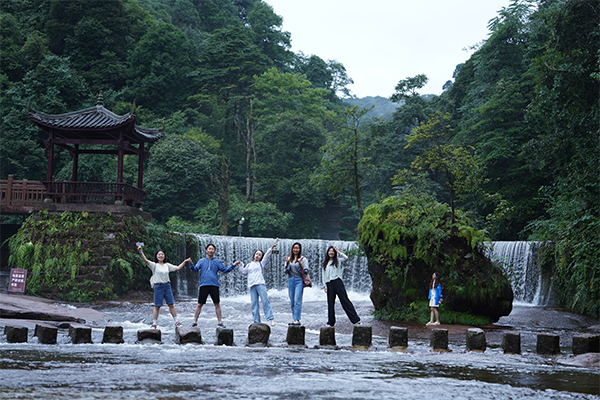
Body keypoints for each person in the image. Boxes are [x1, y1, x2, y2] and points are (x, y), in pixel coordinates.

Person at [138, 245, 191, 329]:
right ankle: (154, 323)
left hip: (167, 286)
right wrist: (141, 251)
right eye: (159, 254)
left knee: (171, 304)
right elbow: (145, 260)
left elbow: (177, 268)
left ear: (164, 256)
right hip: (158, 286)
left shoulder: (167, 265)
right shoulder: (154, 265)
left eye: (162, 254)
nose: (161, 256)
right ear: (156, 256)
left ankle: (176, 321)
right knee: (157, 306)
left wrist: (185, 261)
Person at [190, 243, 241, 328]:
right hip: (204, 285)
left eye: (212, 249)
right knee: (199, 304)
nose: (211, 250)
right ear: (206, 250)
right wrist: (191, 263)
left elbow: (225, 270)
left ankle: (220, 322)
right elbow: (194, 270)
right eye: (209, 249)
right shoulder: (201, 261)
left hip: (214, 285)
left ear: (214, 251)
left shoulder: (217, 262)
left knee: (217, 304)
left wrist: (233, 265)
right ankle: (195, 321)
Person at [240, 240, 278, 326]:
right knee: (254, 304)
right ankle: (256, 322)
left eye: (259, 255)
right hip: (252, 285)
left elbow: (267, 255)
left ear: (261, 257)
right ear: (254, 255)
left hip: (260, 284)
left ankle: (271, 318)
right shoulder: (249, 265)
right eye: (257, 254)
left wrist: (272, 247)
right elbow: (243, 272)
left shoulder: (261, 263)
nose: (257, 256)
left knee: (265, 301)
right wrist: (240, 264)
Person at [322, 246, 361, 327]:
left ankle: (356, 320)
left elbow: (346, 258)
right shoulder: (325, 263)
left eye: (333, 251)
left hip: (338, 282)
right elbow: (324, 276)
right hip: (329, 284)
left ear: (335, 253)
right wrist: (325, 286)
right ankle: (330, 322)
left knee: (345, 300)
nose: (331, 253)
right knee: (330, 303)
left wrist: (339, 252)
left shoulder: (339, 261)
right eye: (330, 251)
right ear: (327, 253)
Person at [285, 242, 309, 325]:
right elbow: (286, 271)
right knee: (292, 301)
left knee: (297, 300)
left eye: (297, 248)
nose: (296, 249)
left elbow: (306, 271)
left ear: (300, 249)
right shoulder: (289, 259)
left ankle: (297, 319)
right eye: (294, 248)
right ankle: (294, 318)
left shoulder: (303, 259)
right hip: (291, 280)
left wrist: (301, 264)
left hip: (299, 280)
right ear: (292, 249)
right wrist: (287, 263)